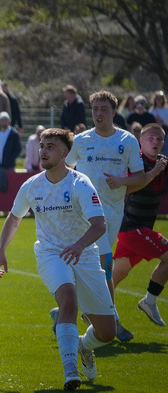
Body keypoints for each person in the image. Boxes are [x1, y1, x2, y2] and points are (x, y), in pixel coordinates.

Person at [0, 128, 115, 390]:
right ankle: (71, 371)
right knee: (68, 301)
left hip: (84, 254)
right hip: (50, 253)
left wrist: (80, 245)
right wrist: (0, 249)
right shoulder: (32, 185)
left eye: (51, 146)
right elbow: (15, 218)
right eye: (42, 146)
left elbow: (100, 224)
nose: (44, 151)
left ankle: (82, 345)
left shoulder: (80, 183)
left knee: (107, 332)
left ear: (64, 153)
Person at [62, 91, 148, 342]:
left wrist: (121, 181)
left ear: (113, 112)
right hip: (83, 215)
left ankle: (71, 311)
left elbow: (140, 177)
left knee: (98, 267)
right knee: (103, 267)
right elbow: (65, 168)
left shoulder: (128, 140)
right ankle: (112, 321)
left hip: (111, 213)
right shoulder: (81, 140)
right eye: (95, 109)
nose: (98, 113)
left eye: (103, 109)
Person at [109, 123, 168, 329]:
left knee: (116, 276)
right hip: (132, 227)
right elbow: (130, 184)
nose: (155, 142)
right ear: (140, 142)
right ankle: (149, 301)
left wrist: (160, 168)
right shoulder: (136, 162)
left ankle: (65, 311)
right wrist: (154, 171)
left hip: (138, 229)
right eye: (150, 138)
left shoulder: (163, 164)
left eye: (159, 139)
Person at [0, 111, 22, 192]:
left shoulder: (14, 134)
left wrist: (10, 159)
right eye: (2, 120)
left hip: (9, 166)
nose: (4, 122)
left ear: (9, 121)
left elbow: (18, 149)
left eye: (6, 119)